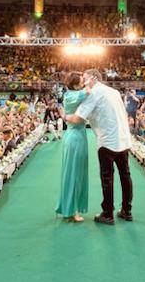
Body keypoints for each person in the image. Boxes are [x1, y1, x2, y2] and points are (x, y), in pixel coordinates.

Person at [66, 69, 134, 225]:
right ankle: (127, 210)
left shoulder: (94, 93)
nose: (83, 81)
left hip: (107, 142)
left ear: (93, 78)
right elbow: (124, 115)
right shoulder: (114, 92)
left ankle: (108, 214)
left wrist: (65, 115)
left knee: (107, 179)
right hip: (122, 140)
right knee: (125, 175)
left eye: (84, 78)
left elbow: (77, 118)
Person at [56, 73, 89, 222]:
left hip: (75, 136)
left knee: (73, 174)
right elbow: (89, 91)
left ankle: (68, 208)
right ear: (75, 85)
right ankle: (72, 210)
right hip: (76, 138)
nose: (84, 83)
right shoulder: (75, 95)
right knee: (75, 175)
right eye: (81, 81)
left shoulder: (69, 94)